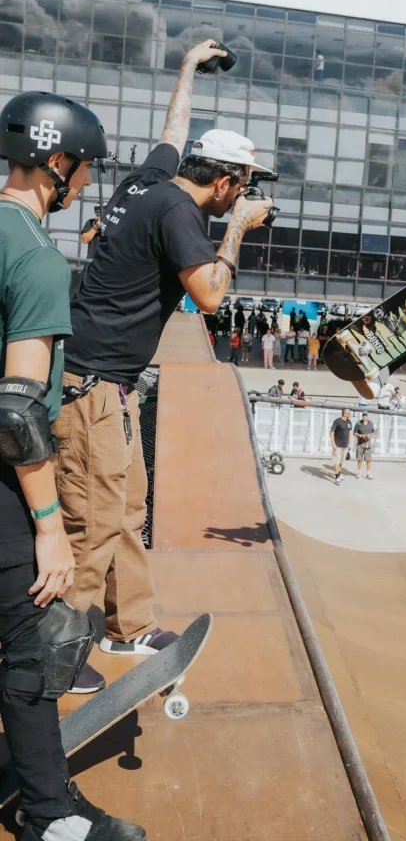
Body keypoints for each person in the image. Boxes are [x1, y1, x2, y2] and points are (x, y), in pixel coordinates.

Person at [55, 42, 274, 692]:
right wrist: (237, 228)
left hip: (111, 387)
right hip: (91, 389)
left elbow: (171, 131)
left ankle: (128, 626)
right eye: (241, 188)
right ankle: (52, 658)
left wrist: (186, 69)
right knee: (92, 527)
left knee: (127, 511)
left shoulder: (148, 181)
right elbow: (209, 295)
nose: (241, 197)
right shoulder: (181, 210)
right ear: (225, 181)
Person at [0, 91, 148, 839]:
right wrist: (51, 527)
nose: (87, 182)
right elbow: (17, 412)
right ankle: (49, 817)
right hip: (8, 488)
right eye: (84, 168)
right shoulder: (33, 256)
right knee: (38, 648)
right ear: (55, 161)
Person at [330, 408, 352, 485]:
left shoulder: (349, 422)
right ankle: (336, 477)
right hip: (337, 445)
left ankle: (339, 474)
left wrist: (349, 443)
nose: (350, 414)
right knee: (336, 461)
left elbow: (349, 433)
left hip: (345, 446)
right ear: (344, 413)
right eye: (348, 413)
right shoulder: (337, 421)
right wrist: (333, 444)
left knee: (341, 461)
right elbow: (332, 432)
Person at [354, 413, 375, 480]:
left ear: (368, 416)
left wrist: (370, 435)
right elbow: (354, 433)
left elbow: (373, 432)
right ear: (362, 416)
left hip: (368, 444)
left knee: (368, 459)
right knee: (359, 459)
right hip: (360, 444)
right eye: (363, 415)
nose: (364, 416)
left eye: (365, 415)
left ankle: (368, 474)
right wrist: (360, 435)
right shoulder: (358, 423)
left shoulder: (371, 423)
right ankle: (359, 473)